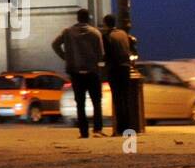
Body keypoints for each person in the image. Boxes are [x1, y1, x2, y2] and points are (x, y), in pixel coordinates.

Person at [52, 9, 105, 138]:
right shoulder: (95, 33)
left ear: (77, 18)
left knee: (80, 103)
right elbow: (101, 54)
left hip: (75, 72)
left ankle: (84, 132)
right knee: (96, 102)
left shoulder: (67, 32)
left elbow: (55, 44)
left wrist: (66, 57)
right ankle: (97, 129)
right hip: (92, 71)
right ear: (88, 19)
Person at [100, 15, 135, 134]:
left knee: (117, 99)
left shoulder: (107, 37)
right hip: (125, 68)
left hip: (114, 69)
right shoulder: (123, 34)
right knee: (126, 98)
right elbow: (131, 48)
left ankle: (120, 129)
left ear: (105, 24)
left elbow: (106, 54)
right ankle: (129, 127)